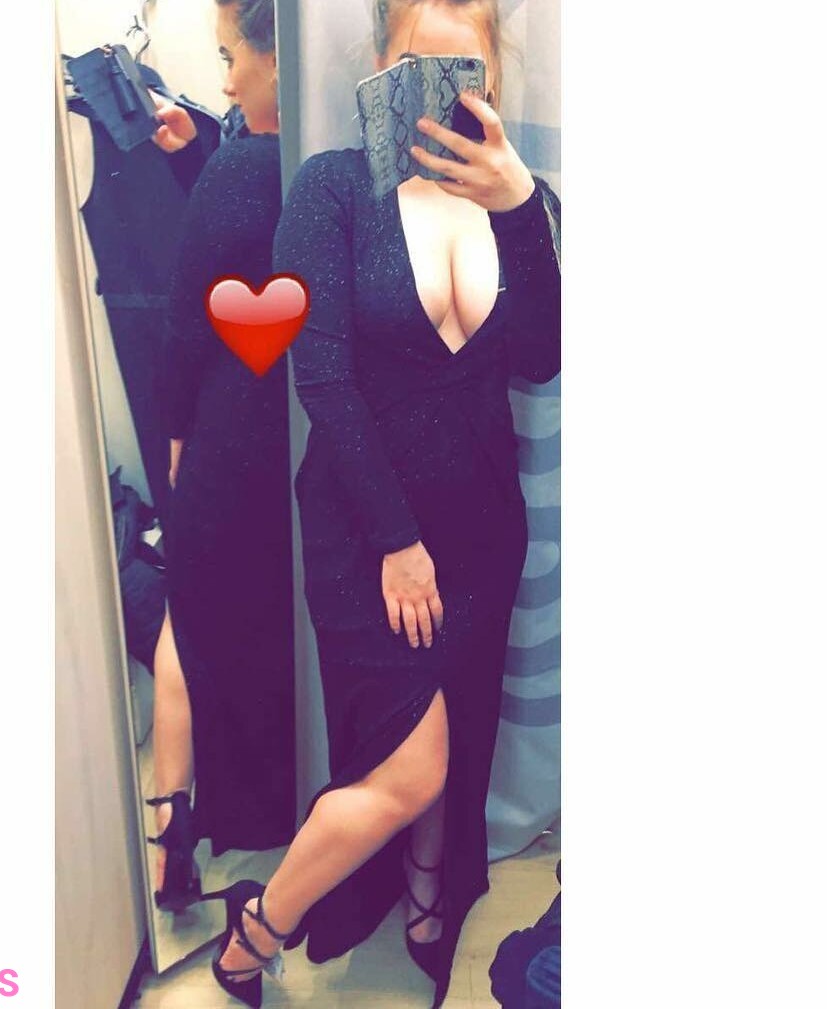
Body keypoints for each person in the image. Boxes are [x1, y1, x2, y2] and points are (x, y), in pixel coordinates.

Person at [202, 1, 561, 1006]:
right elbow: (320, 378)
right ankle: (258, 928)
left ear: (493, 77)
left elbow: (543, 356)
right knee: (409, 765)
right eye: (417, 68)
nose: (441, 95)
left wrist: (518, 205)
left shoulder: (518, 201)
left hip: (484, 529)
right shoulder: (332, 188)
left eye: (465, 70)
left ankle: (428, 897)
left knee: (461, 733)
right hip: (367, 531)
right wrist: (398, 542)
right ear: (379, 68)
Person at [142, 0, 297, 912]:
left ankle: (170, 835)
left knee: (185, 622)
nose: (226, 80)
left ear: (277, 59)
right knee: (247, 630)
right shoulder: (325, 165)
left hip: (225, 441)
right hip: (288, 447)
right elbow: (255, 257)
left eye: (232, 56)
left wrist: (173, 435)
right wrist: (195, 153)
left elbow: (186, 324)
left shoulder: (240, 166)